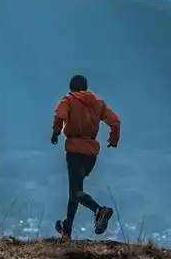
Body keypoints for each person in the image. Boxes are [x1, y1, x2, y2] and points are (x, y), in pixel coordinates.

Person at [50, 74, 121, 239]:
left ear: (71, 88)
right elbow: (115, 122)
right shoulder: (97, 103)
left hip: (74, 149)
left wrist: (55, 132)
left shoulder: (68, 100)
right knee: (75, 191)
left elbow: (60, 116)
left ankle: (99, 211)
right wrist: (113, 140)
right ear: (86, 88)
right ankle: (67, 229)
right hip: (91, 153)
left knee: (76, 191)